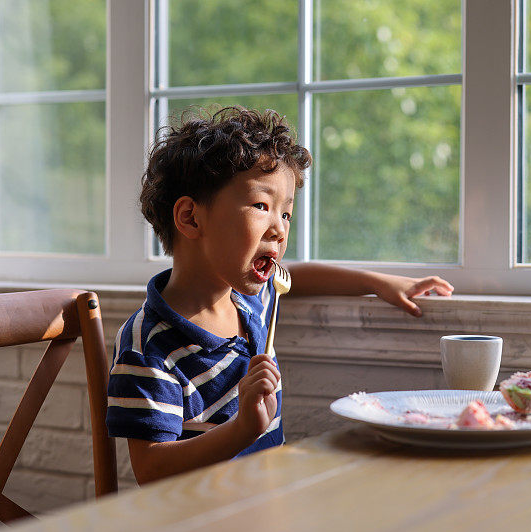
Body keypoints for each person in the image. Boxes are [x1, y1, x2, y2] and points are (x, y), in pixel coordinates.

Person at [106, 106, 453, 484]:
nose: (279, 229)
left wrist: (375, 282)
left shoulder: (250, 297)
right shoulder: (148, 345)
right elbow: (152, 470)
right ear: (190, 217)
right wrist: (242, 429)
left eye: (285, 214)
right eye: (261, 206)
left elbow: (296, 278)